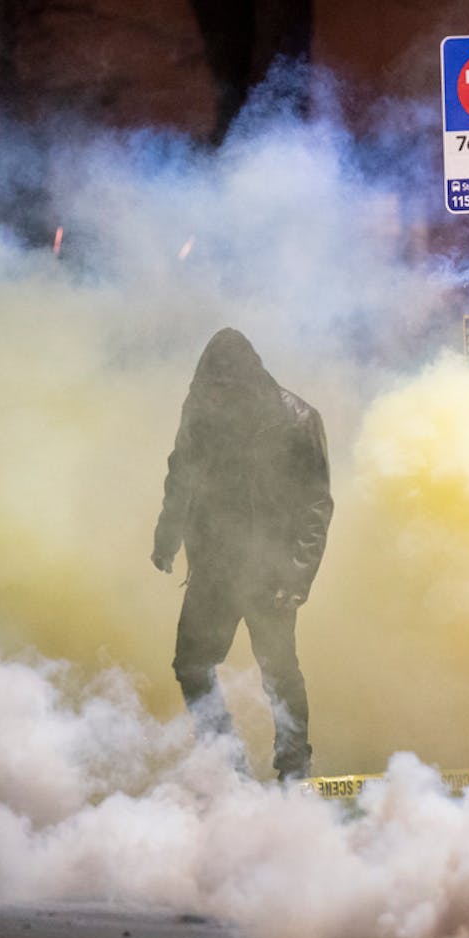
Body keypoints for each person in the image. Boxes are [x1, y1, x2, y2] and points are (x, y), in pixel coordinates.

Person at [151, 328, 333, 780]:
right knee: (192, 665)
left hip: (271, 570)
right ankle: (226, 762)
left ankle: (294, 769)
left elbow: (316, 506)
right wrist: (167, 536)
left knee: (278, 672)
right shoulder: (200, 410)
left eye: (225, 389)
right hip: (214, 564)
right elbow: (182, 472)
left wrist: (296, 578)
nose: (218, 398)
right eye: (211, 389)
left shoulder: (298, 419)